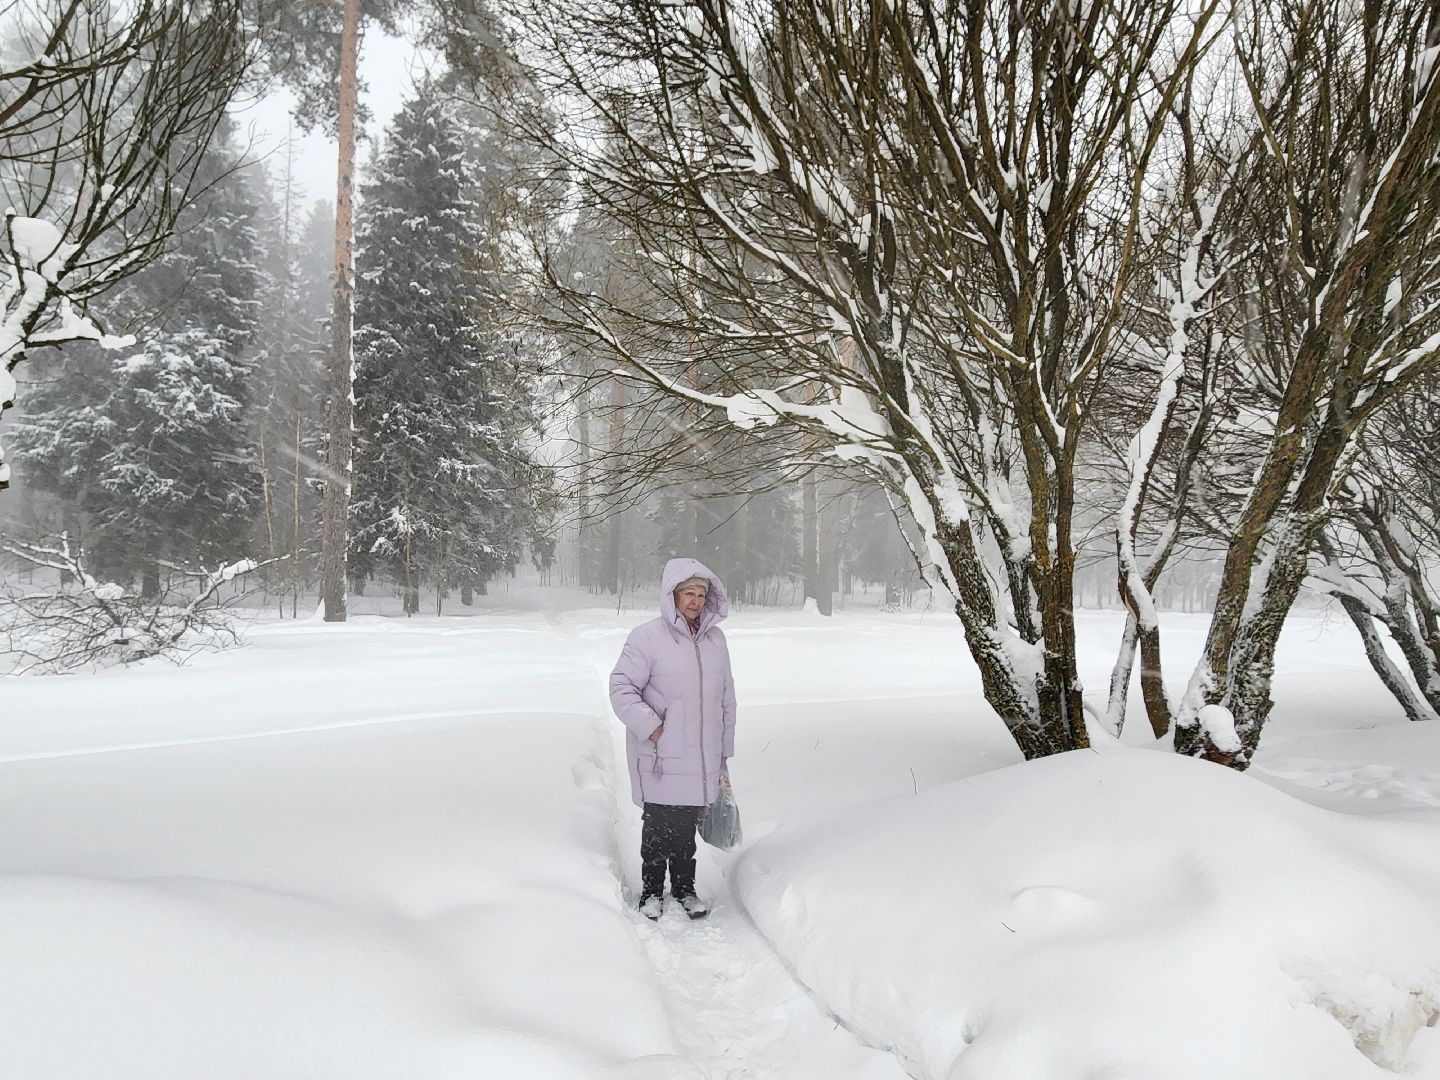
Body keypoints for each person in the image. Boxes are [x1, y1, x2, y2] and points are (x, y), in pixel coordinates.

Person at [609, 557, 737, 921]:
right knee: (659, 827)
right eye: (688, 593)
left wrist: (724, 751)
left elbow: (726, 696)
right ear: (672, 596)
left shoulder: (715, 640)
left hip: (702, 756)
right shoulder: (647, 638)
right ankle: (652, 892)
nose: (695, 601)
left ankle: (684, 889)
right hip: (662, 754)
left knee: (685, 831)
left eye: (701, 594)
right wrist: (652, 726)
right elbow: (621, 687)